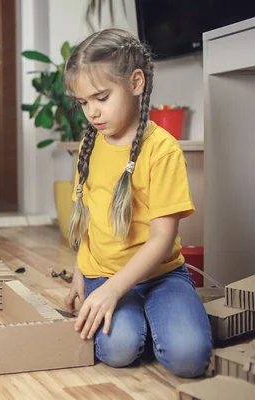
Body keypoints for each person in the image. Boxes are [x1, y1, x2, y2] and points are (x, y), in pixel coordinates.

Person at [61, 28, 212, 379]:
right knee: (119, 350)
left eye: (101, 97)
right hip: (105, 273)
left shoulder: (163, 150)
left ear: (136, 82)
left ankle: (155, 314)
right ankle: (143, 321)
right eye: (84, 103)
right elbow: (89, 221)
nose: (92, 113)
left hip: (162, 276)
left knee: (190, 359)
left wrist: (117, 291)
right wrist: (79, 276)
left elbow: (162, 238)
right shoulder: (89, 146)